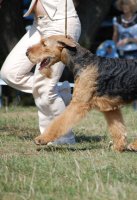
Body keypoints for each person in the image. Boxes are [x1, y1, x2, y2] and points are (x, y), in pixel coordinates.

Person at [1, 0, 81, 145]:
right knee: (10, 73)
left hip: (60, 23)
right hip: (38, 25)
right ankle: (60, 92)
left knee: (45, 88)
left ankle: (64, 139)